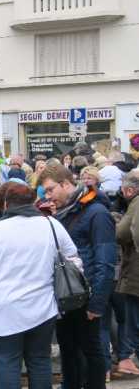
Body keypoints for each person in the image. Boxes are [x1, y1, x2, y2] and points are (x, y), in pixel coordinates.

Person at [0, 183, 80, 388]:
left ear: (6, 203)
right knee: (39, 360)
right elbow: (72, 257)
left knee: (8, 362)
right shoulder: (51, 225)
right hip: (42, 306)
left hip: (3, 309)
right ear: (34, 202)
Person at [40, 164, 116, 389]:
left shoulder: (97, 213)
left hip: (87, 295)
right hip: (66, 295)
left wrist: (97, 303)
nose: (48, 195)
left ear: (65, 184)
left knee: (91, 351)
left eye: (51, 189)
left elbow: (105, 260)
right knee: (68, 350)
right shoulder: (64, 212)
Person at [114, 171, 139, 375]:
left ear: (129, 190)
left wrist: (115, 224)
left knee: (134, 321)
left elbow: (123, 233)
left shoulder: (136, 204)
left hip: (136, 272)